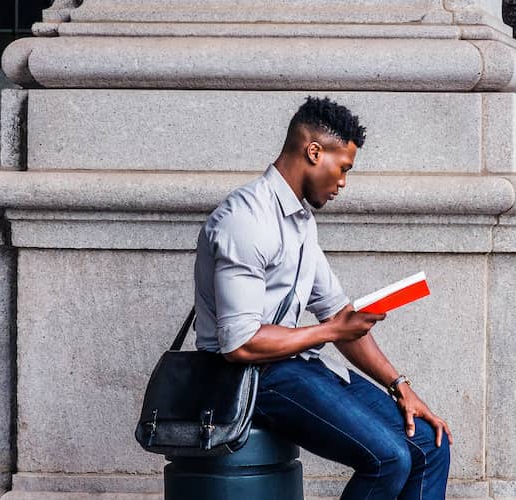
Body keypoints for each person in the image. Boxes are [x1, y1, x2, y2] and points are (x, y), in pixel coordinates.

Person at [193, 96, 452, 499]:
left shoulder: (300, 223)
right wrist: (330, 331)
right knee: (388, 458)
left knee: (430, 446)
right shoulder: (245, 220)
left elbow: (340, 314)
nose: (344, 182)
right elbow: (238, 344)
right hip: (245, 378)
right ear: (314, 152)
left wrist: (400, 386)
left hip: (293, 366)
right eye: (343, 168)